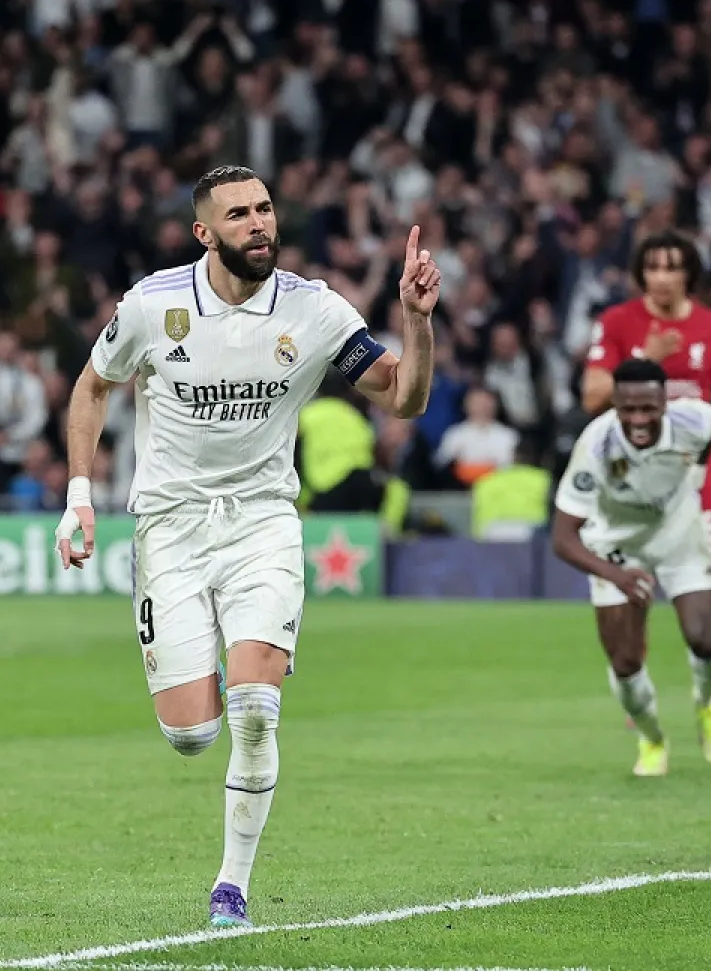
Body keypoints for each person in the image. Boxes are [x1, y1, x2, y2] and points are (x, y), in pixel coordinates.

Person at [52, 165, 439, 924]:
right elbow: (92, 385)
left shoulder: (315, 309)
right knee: (193, 733)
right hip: (170, 526)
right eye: (239, 215)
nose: (259, 223)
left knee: (258, 711)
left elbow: (405, 397)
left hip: (263, 521)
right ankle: (223, 679)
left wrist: (416, 321)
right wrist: (78, 496)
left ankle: (231, 885)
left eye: (265, 209)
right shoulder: (153, 305)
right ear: (205, 232)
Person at [583, 231, 711, 733]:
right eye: (653, 267)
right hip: (633, 487)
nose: (662, 277)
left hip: (699, 483)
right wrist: (648, 356)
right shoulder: (618, 324)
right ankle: (638, 698)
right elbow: (592, 395)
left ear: (689, 273)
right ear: (642, 273)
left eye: (672, 267)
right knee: (634, 594)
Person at [553, 357, 711, 777]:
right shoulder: (595, 445)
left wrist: (696, 481)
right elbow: (562, 539)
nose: (638, 419)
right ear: (614, 403)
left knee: (705, 640)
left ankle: (707, 700)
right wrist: (617, 575)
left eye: (648, 408)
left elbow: (708, 441)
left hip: (676, 531)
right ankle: (652, 738)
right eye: (627, 408)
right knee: (625, 661)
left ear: (665, 402)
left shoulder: (699, 419)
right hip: (615, 546)